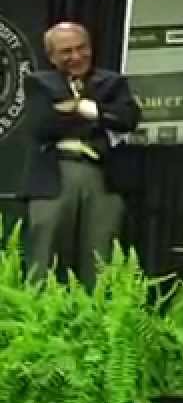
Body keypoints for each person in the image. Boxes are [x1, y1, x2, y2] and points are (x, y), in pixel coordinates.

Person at [22, 22, 141, 290]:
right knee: (45, 256)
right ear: (52, 57)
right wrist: (101, 117)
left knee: (101, 257)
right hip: (54, 178)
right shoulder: (38, 83)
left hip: (101, 177)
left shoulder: (113, 83)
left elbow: (128, 119)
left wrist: (80, 108)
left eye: (82, 48)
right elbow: (44, 126)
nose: (76, 56)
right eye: (66, 51)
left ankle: (98, 323)